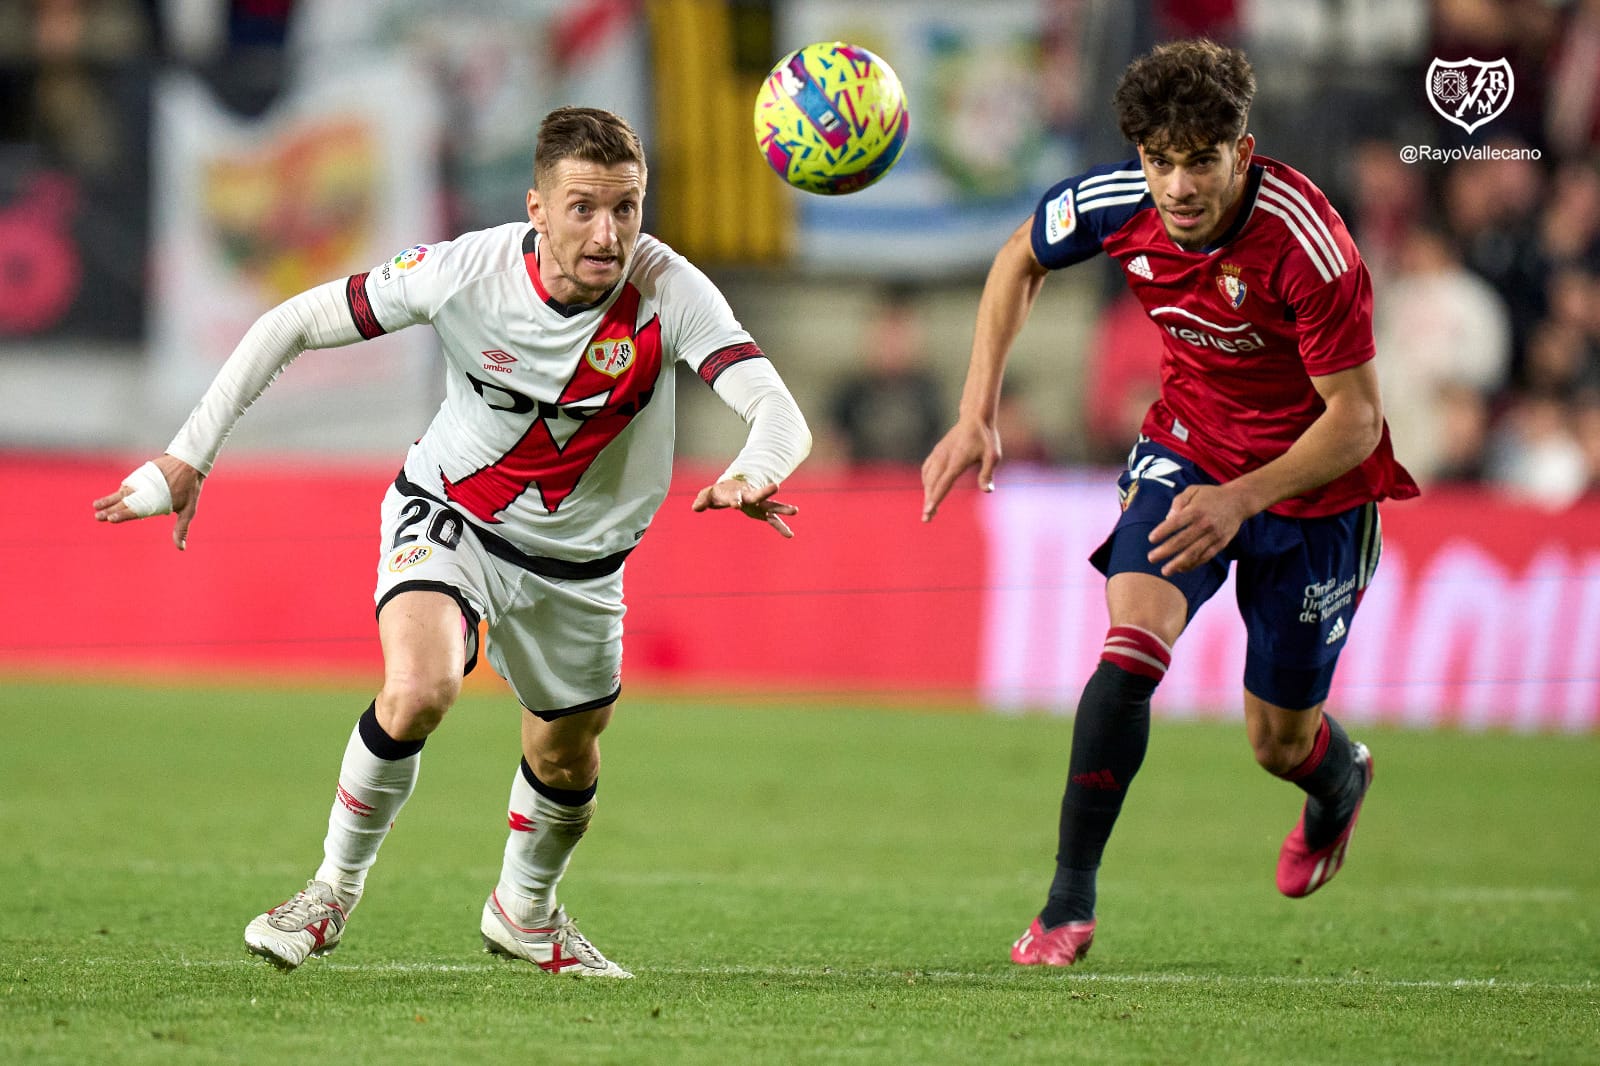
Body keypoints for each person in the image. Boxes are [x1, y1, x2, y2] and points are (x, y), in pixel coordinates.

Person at [92, 106, 812, 978]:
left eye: (626, 208)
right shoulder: (464, 273)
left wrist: (758, 468)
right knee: (422, 686)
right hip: (451, 516)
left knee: (567, 752)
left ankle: (525, 912)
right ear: (536, 209)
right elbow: (291, 322)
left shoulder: (669, 290)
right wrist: (187, 456)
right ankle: (328, 893)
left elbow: (775, 407)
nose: (609, 232)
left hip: (582, 569)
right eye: (583, 207)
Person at [921, 40, 1418, 967]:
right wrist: (975, 413)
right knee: (1131, 647)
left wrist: (1245, 499)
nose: (1178, 185)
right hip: (1187, 452)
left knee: (1278, 742)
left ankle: (1341, 777)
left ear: (1244, 150)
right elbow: (1015, 260)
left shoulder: (1308, 244)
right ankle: (1068, 903)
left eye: (1200, 160)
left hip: (1311, 491)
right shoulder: (1117, 204)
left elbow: (1356, 422)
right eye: (1160, 160)